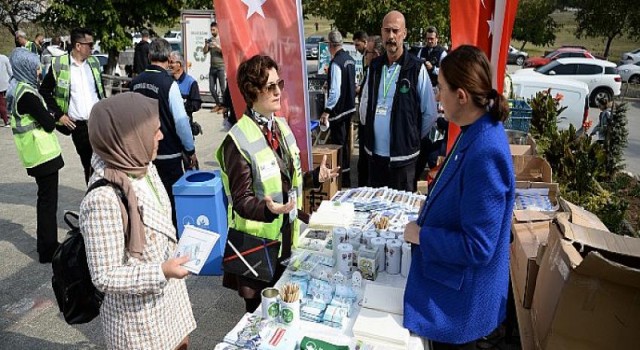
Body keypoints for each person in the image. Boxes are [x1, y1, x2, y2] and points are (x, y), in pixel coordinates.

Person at [403, 45, 515, 349]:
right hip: (451, 290)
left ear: (461, 96)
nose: (438, 97)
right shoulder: (474, 130)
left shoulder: (486, 150)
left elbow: (479, 246)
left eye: (441, 89)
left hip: (459, 308)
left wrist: (423, 235)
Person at [216, 55, 339, 312]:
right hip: (257, 249)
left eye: (279, 84)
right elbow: (241, 200)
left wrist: (315, 177)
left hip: (286, 241)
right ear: (252, 91)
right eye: (270, 86)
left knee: (287, 312)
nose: (277, 91)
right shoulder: (237, 140)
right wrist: (267, 209)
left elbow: (287, 183)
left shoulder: (281, 127)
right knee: (261, 318)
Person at [80, 92, 196, 350]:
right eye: (153, 130)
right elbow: (104, 276)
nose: (161, 136)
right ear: (128, 137)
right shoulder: (102, 198)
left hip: (170, 304)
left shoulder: (143, 165)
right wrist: (161, 271)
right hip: (140, 322)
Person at [360, 10, 438, 191]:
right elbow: (364, 106)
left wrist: (410, 136)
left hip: (403, 160)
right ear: (381, 32)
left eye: (395, 31)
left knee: (401, 214)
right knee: (375, 213)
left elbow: (430, 113)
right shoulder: (374, 66)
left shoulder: (416, 68)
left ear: (404, 33)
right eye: (387, 31)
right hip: (375, 157)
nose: (391, 36)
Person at [131, 38, 197, 227]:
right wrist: (190, 149)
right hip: (169, 154)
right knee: (172, 202)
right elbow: (181, 122)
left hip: (143, 154)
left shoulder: (135, 83)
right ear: (169, 58)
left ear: (149, 55)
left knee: (149, 201)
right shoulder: (169, 84)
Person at [7, 48, 64, 263]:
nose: (39, 71)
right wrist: (49, 115)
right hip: (42, 156)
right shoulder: (28, 95)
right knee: (48, 204)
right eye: (35, 67)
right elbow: (49, 124)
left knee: (46, 202)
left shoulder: (21, 89)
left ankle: (47, 245)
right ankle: (48, 249)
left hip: (38, 155)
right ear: (25, 68)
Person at [40, 27, 105, 185]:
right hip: (79, 126)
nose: (92, 47)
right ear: (78, 46)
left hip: (99, 122)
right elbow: (44, 90)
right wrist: (59, 115)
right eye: (89, 44)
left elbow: (100, 90)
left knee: (105, 162)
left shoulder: (94, 63)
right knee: (89, 165)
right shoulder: (60, 64)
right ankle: (93, 198)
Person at [320, 30, 357, 188]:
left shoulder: (336, 63)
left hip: (339, 111)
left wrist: (326, 111)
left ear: (330, 45)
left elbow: (335, 91)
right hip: (349, 107)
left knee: (339, 147)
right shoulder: (350, 59)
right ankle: (346, 177)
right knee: (347, 147)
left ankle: (340, 180)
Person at [357, 35, 382, 187]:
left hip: (372, 131)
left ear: (376, 55)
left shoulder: (380, 74)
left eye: (368, 53)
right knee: (362, 167)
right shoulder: (369, 71)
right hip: (364, 127)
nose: (364, 56)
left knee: (367, 171)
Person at [168, 50, 203, 139]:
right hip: (168, 129)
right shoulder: (167, 81)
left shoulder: (191, 82)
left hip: (185, 128)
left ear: (179, 64)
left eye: (171, 62)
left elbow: (196, 104)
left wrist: (181, 106)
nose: (169, 65)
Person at [203, 21, 225, 112]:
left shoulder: (222, 40)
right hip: (212, 67)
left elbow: (225, 53)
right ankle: (218, 104)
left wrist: (217, 46)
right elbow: (204, 52)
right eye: (211, 30)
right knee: (211, 88)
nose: (212, 31)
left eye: (213, 30)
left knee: (223, 89)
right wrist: (206, 45)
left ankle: (225, 106)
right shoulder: (210, 39)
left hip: (221, 67)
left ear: (218, 29)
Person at [0, 52, 12, 126]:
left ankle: (5, 118)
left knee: (1, 102)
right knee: (2, 102)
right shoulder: (4, 57)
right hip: (4, 83)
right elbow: (10, 71)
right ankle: (5, 120)